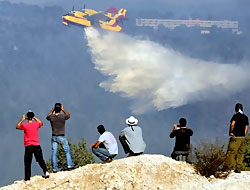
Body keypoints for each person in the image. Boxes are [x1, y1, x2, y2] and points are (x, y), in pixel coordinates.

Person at [16, 111, 49, 184]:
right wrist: (35, 117)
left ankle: (27, 179)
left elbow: (17, 126)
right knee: (40, 160)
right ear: (33, 117)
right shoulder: (36, 124)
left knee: (27, 163)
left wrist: (22, 119)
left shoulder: (25, 125)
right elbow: (41, 123)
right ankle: (46, 171)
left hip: (28, 146)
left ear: (27, 117)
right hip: (36, 145)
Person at [46, 103, 73, 172]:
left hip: (54, 136)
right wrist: (63, 109)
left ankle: (54, 169)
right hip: (61, 136)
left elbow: (47, 117)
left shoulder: (51, 117)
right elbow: (68, 115)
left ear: (55, 109)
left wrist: (52, 109)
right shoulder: (62, 116)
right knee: (67, 151)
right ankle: (69, 166)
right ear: (60, 109)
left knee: (54, 152)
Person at [224, 103, 249, 173]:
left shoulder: (235, 116)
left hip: (235, 137)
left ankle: (230, 167)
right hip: (242, 137)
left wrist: (231, 132)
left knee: (231, 152)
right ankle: (238, 168)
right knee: (241, 153)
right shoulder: (245, 117)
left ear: (236, 108)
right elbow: (246, 127)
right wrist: (244, 134)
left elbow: (232, 124)